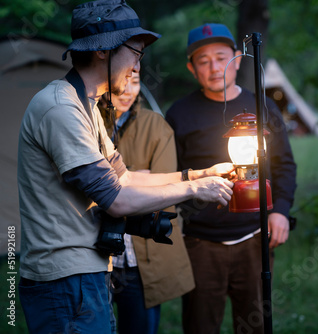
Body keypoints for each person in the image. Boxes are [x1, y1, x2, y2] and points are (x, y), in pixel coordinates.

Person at [17, 2, 233, 333]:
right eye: (136, 53)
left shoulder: (86, 105)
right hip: (64, 280)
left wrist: (199, 174)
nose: (136, 67)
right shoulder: (61, 108)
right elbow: (116, 199)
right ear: (104, 50)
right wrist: (195, 190)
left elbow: (126, 178)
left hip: (82, 274)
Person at [165, 23, 297, 334]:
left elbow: (284, 164)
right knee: (200, 325)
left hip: (254, 238)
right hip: (201, 242)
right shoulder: (180, 114)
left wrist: (280, 211)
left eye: (221, 57)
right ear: (191, 67)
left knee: (253, 324)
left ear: (238, 58)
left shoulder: (261, 108)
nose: (214, 68)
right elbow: (171, 175)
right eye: (204, 60)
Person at [98, 71, 194, 334]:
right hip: (94, 252)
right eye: (122, 82)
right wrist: (136, 177)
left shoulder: (156, 126)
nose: (129, 90)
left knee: (140, 326)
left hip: (139, 256)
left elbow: (164, 187)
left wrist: (113, 180)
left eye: (136, 81)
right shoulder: (86, 122)